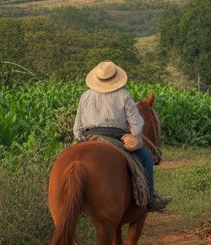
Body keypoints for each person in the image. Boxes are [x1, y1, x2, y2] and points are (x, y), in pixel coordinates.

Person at [73, 60, 171, 211]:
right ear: (115, 78)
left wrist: (80, 139)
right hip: (116, 137)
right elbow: (137, 124)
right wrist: (135, 136)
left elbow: (77, 127)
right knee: (145, 155)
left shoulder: (85, 96)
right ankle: (150, 200)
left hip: (88, 137)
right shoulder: (123, 94)